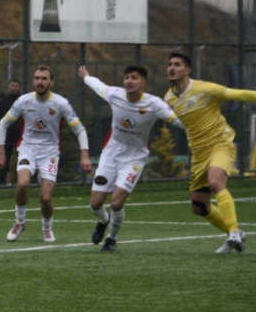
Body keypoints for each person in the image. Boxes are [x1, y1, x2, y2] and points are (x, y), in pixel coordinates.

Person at [163, 51, 256, 254]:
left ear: (187, 70)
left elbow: (241, 94)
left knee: (215, 182)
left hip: (220, 144)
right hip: (198, 153)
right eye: (169, 64)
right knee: (199, 207)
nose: (171, 68)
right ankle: (235, 233)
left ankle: (232, 231)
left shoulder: (205, 89)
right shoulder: (169, 97)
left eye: (177, 64)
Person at [78, 65, 182, 252]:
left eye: (134, 77)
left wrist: (203, 127)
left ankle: (111, 239)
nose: (129, 81)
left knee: (116, 202)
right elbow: (98, 85)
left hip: (135, 158)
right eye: (126, 77)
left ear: (143, 82)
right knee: (95, 204)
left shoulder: (154, 104)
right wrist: (86, 77)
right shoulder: (115, 95)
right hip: (111, 154)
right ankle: (103, 220)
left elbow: (177, 120)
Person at [0, 66, 92, 243]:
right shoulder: (24, 101)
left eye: (44, 79)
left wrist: (84, 155)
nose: (40, 82)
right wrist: (1, 152)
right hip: (27, 149)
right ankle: (19, 222)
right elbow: (3, 123)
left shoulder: (61, 103)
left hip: (50, 154)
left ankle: (47, 228)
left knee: (45, 198)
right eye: (37, 78)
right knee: (22, 184)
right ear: (33, 81)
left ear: (51, 82)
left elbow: (79, 129)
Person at [0, 79, 23, 185]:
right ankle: (6, 182)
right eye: (12, 85)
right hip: (7, 136)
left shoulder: (23, 101)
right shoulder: (3, 102)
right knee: (5, 158)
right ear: (9, 87)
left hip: (21, 135)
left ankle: (23, 180)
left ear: (19, 87)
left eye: (16, 85)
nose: (14, 87)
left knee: (23, 158)